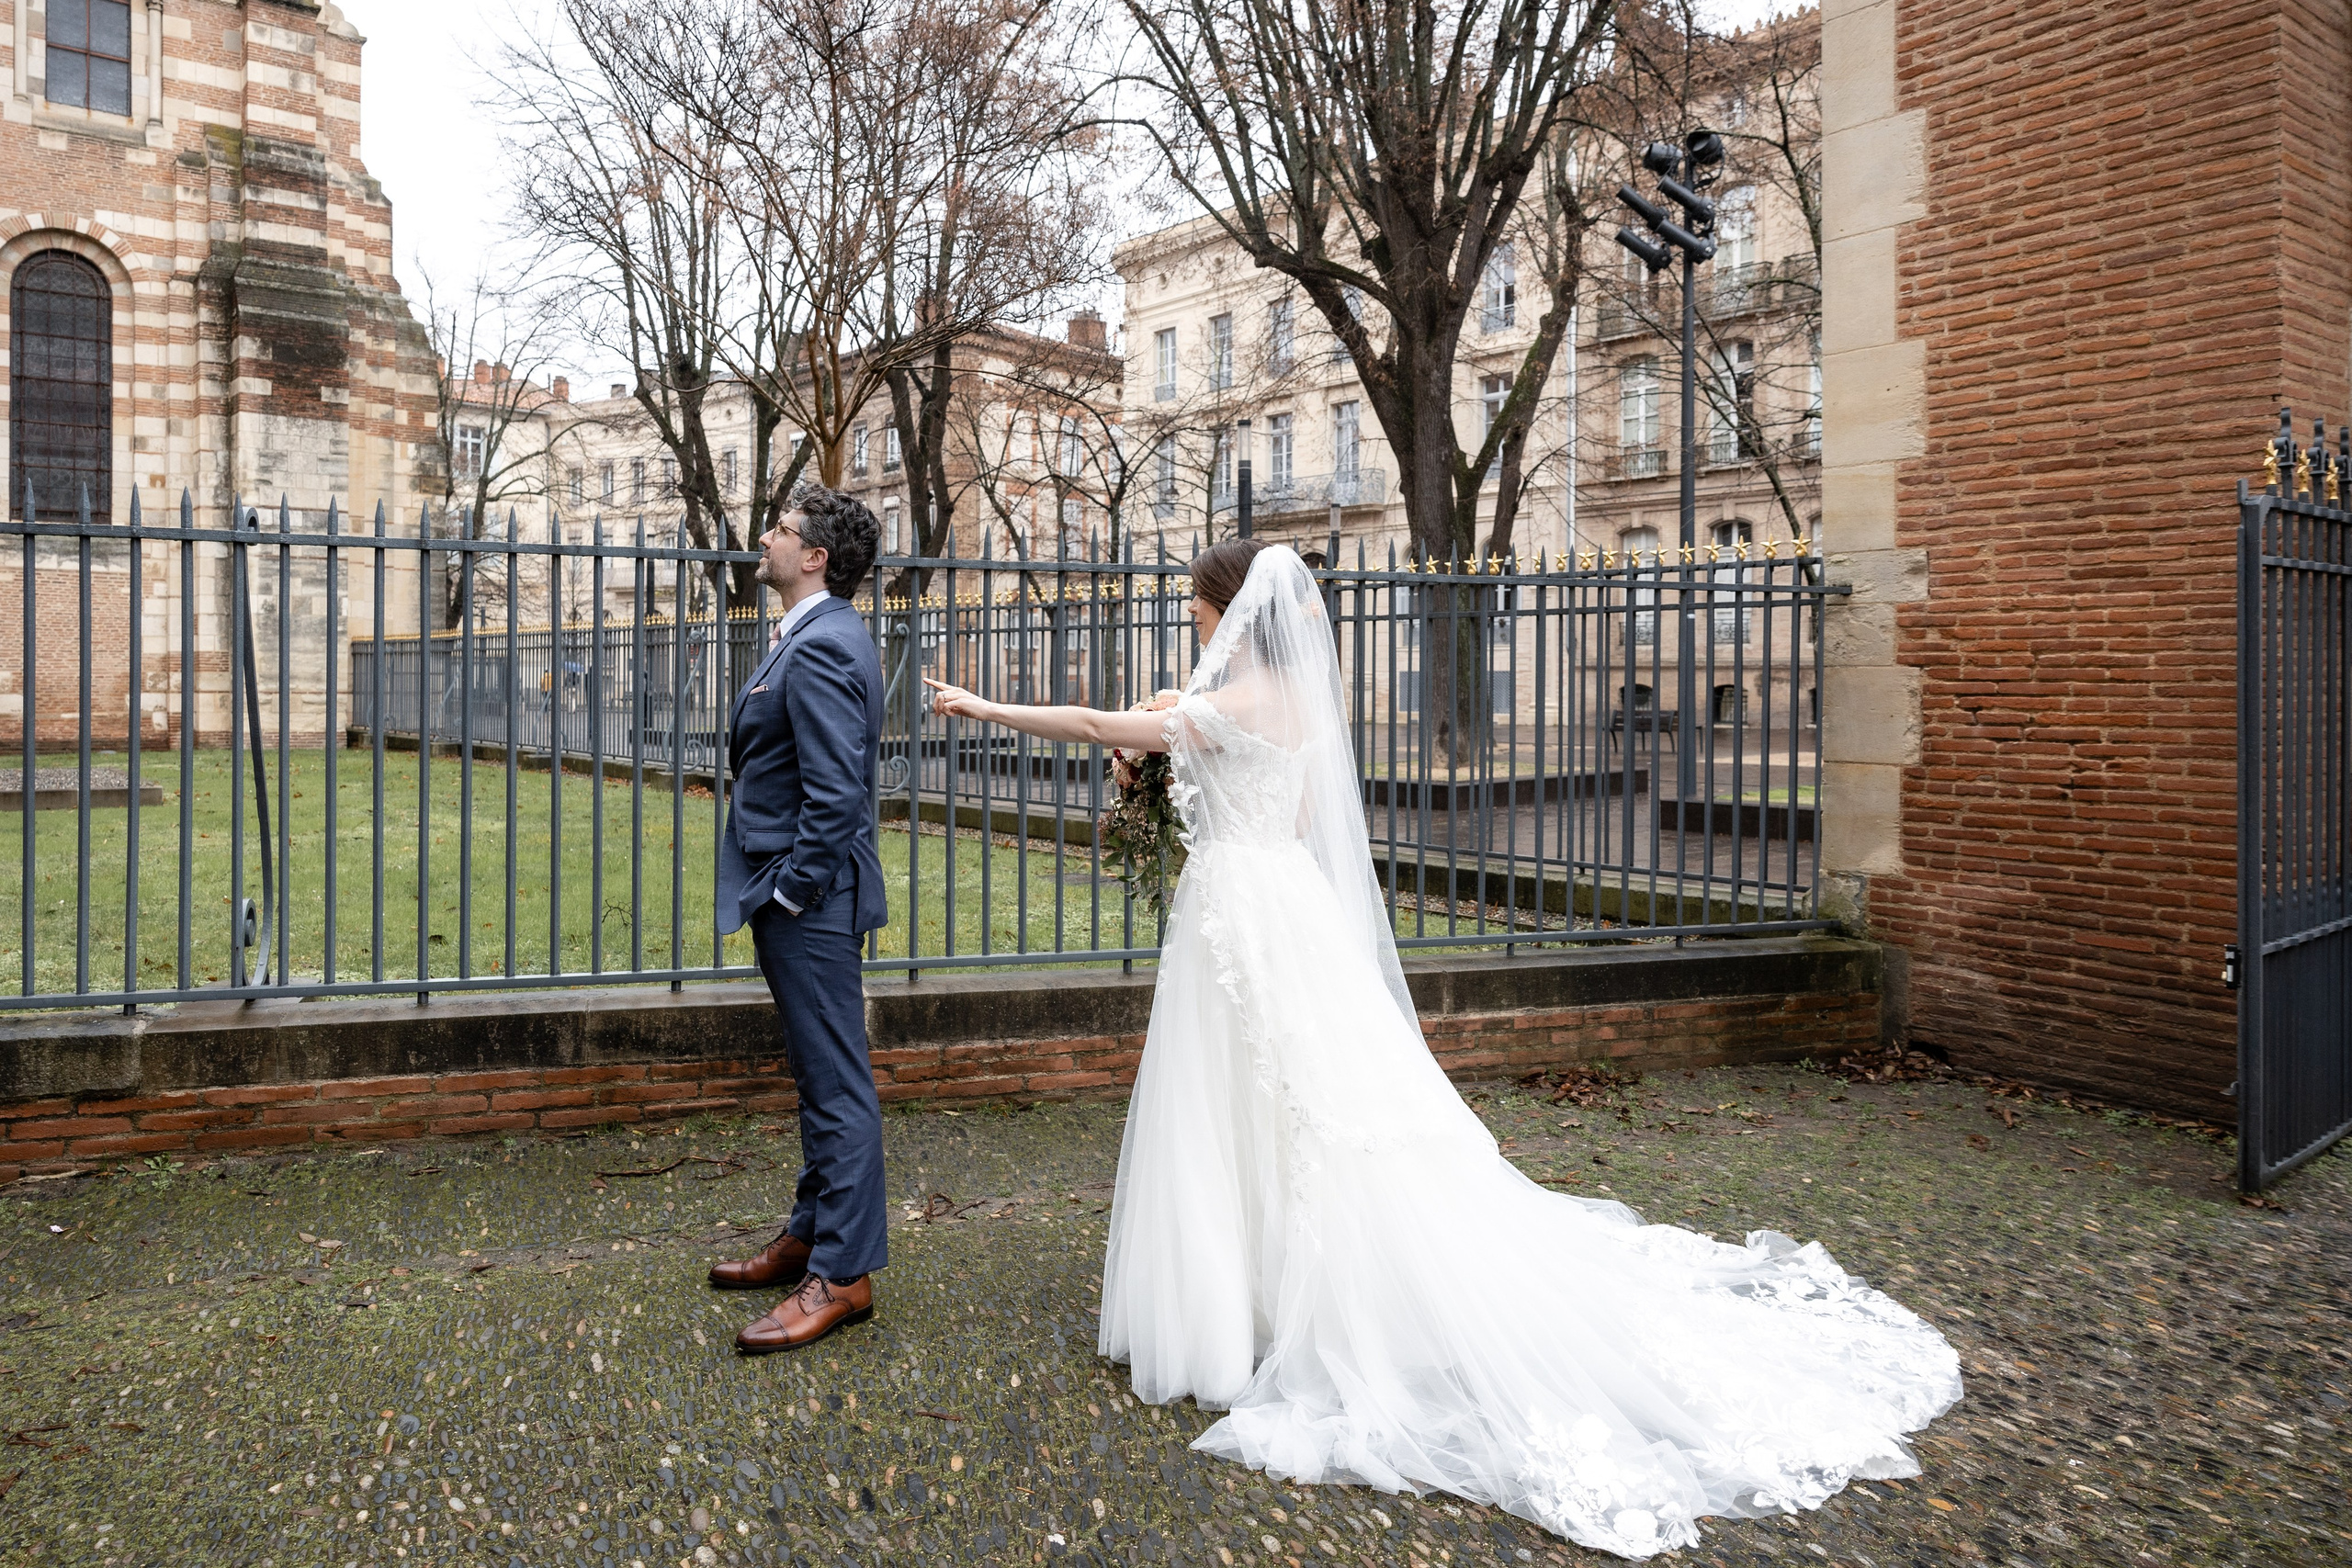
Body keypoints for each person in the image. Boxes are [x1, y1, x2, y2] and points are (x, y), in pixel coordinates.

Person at [923, 540, 1962, 1561]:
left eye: (1202, 604)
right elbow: (1279, 813)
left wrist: (985, 709)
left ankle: (1246, 1292)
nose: (1196, 620)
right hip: (1282, 906)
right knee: (1296, 1095)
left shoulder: (1231, 704)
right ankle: (1257, 1275)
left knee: (1240, 1093)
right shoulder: (1295, 707)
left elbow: (1100, 723)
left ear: (1227, 610)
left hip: (1237, 916)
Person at [708, 483, 889, 1353]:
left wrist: (789, 890)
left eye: (781, 530)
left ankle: (844, 1272)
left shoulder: (819, 646)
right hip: (803, 895)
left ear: (814, 556)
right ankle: (811, 1233)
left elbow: (835, 796)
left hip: (808, 900)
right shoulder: (811, 633)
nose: (767, 539)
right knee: (819, 1076)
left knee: (837, 1084)